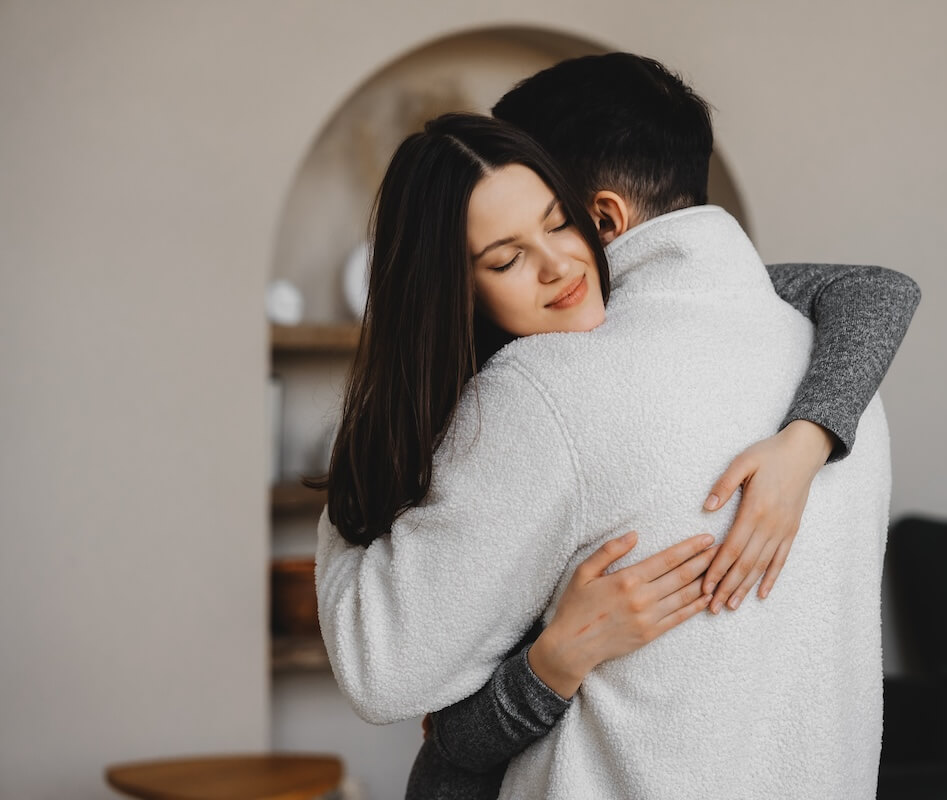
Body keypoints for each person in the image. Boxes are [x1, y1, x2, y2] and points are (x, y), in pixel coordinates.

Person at [317, 61, 914, 800]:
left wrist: (364, 460)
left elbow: (383, 669)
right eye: (504, 258)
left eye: (557, 218)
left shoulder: (546, 389)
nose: (553, 263)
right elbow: (852, 285)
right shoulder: (835, 373)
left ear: (596, 217)